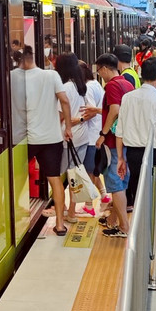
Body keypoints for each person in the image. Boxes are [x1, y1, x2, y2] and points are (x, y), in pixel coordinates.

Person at [115, 57, 156, 217]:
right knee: (153, 193)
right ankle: (150, 230)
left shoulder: (127, 98)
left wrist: (121, 158)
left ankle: (140, 226)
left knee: (137, 192)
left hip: (132, 154)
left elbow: (120, 132)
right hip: (153, 155)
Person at [21, 46, 73, 236]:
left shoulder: (15, 77)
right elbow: (65, 101)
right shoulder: (51, 76)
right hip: (52, 138)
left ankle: (17, 217)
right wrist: (67, 127)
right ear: (33, 57)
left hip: (27, 139)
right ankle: (59, 225)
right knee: (55, 181)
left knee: (15, 177)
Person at [94, 53, 135, 237]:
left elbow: (115, 110)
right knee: (122, 180)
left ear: (104, 68)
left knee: (115, 182)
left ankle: (124, 226)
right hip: (126, 140)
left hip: (113, 142)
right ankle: (114, 219)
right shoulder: (127, 83)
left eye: (99, 71)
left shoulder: (111, 85)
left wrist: (103, 134)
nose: (99, 75)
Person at [55, 52, 91, 224]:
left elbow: (60, 115)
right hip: (82, 135)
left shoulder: (65, 88)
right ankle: (71, 212)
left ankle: (64, 212)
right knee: (74, 175)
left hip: (68, 138)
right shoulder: (79, 85)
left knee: (65, 176)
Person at [79, 60, 109, 216]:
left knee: (88, 171)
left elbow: (89, 111)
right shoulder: (96, 84)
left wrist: (76, 119)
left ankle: (89, 205)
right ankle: (103, 196)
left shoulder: (88, 88)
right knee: (92, 170)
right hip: (96, 133)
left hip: (90, 136)